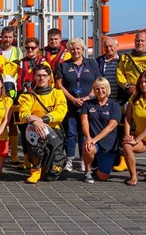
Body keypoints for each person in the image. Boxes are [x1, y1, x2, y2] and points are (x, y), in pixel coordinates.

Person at [115, 32, 146, 169]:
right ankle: (123, 159)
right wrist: (127, 86)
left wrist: (142, 89)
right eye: (137, 41)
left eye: (142, 41)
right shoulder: (125, 57)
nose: (139, 43)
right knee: (125, 125)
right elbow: (120, 74)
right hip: (128, 94)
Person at [56, 38, 100, 173]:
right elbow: (59, 85)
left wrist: (88, 97)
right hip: (70, 104)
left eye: (78, 48)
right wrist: (72, 99)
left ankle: (83, 160)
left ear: (83, 49)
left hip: (87, 105)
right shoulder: (64, 65)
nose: (75, 51)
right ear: (69, 50)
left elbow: (97, 82)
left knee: (84, 133)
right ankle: (69, 159)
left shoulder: (92, 64)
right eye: (73, 49)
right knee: (70, 133)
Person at [17, 65, 67, 184]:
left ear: (49, 77)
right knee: (35, 150)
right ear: (34, 77)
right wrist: (33, 121)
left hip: (54, 130)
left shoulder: (58, 93)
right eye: (38, 75)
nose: (41, 78)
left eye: (44, 75)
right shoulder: (27, 96)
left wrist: (42, 120)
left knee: (51, 174)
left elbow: (61, 112)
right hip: (35, 130)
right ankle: (35, 169)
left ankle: (46, 167)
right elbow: (23, 113)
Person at [4, 37, 50, 166]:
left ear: (37, 49)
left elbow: (49, 80)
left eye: (32, 48)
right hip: (23, 101)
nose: (30, 50)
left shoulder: (44, 63)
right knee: (24, 130)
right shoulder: (18, 63)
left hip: (39, 101)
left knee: (39, 131)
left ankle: (40, 159)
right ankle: (26, 159)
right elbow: (6, 73)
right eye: (27, 48)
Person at [80, 77, 121, 183]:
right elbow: (84, 122)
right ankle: (87, 172)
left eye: (103, 88)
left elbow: (111, 126)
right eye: (97, 88)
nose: (100, 91)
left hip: (109, 143)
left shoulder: (114, 105)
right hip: (93, 141)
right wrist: (89, 138)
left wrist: (95, 140)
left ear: (107, 89)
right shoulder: (88, 104)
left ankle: (98, 168)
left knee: (103, 177)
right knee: (87, 147)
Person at [96, 36, 120, 100]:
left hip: (120, 101)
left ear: (117, 45)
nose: (108, 48)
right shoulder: (98, 62)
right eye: (106, 47)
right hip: (103, 100)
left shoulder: (123, 60)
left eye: (110, 46)